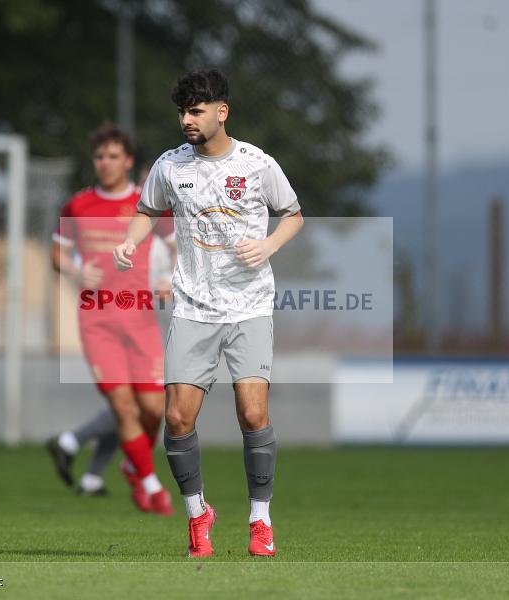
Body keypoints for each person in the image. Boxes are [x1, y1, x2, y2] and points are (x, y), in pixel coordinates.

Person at [114, 69, 304, 557]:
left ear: (222, 112)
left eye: (196, 111)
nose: (186, 120)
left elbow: (294, 215)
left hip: (250, 306)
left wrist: (267, 247)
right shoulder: (170, 166)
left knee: (252, 412)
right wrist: (130, 243)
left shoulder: (258, 164)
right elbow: (145, 209)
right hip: (194, 307)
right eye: (182, 112)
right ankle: (199, 513)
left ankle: (260, 522)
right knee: (177, 420)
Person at [47, 124, 175, 515]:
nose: (106, 163)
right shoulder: (78, 206)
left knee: (154, 409)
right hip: (97, 319)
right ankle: (150, 483)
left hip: (139, 317)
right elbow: (58, 255)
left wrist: (169, 276)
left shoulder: (148, 203)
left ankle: (132, 465)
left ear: (128, 161)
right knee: (121, 405)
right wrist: (74, 271)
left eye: (114, 156)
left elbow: (176, 247)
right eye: (100, 156)